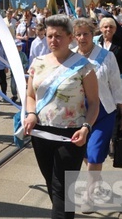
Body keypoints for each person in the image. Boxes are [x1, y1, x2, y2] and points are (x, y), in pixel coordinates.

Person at [22, 14, 99, 219]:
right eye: (49, 36)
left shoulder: (83, 66)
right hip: (41, 134)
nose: (53, 41)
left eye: (58, 36)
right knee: (52, 185)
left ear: (70, 37)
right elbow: (30, 95)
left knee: (63, 189)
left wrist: (85, 128)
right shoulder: (37, 63)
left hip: (72, 135)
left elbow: (94, 103)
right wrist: (31, 114)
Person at [71, 18, 122, 213]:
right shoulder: (70, 56)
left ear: (92, 35)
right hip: (78, 113)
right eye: (78, 34)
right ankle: (96, 179)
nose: (82, 38)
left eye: (85, 33)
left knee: (95, 155)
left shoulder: (106, 56)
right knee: (85, 153)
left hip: (103, 111)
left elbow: (116, 86)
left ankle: (89, 195)